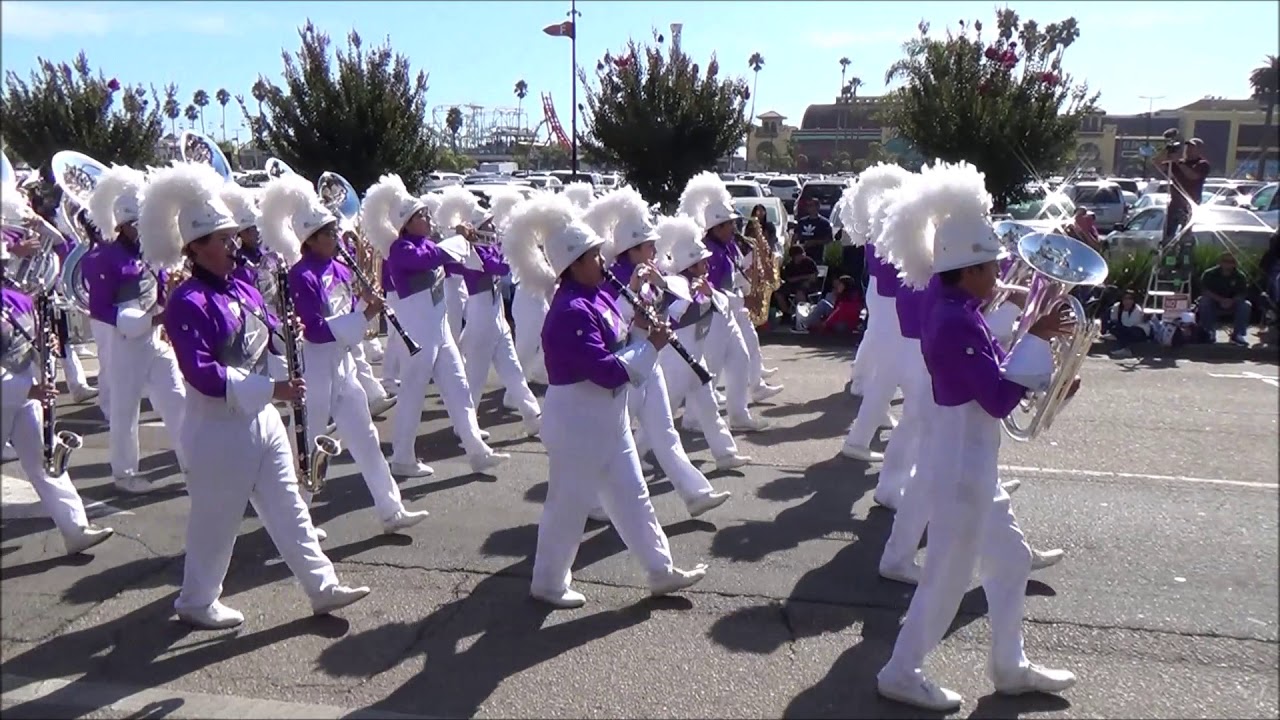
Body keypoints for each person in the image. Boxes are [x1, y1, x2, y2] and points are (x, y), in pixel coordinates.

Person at [876, 164, 1078, 710]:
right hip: (960, 466)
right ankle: (901, 669)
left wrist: (1051, 380)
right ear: (967, 270)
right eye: (992, 267)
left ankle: (1009, 667)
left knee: (1010, 561)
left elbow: (996, 380)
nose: (1001, 273)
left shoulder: (961, 310)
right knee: (946, 578)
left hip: (973, 462)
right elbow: (996, 398)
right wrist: (1035, 342)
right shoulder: (955, 321)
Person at [144, 162, 371, 629]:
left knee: (289, 506)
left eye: (233, 236)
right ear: (195, 248)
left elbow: (267, 337)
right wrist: (275, 387)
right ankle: (196, 600)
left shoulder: (243, 287)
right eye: (223, 239)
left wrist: (285, 340)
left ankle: (321, 585)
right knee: (216, 523)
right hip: (218, 425)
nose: (235, 244)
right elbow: (203, 373)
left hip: (261, 417)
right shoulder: (187, 302)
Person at [512, 193, 709, 609]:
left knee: (633, 494)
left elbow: (622, 340)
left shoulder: (599, 296)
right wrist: (651, 345)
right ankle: (547, 582)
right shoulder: (570, 310)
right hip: (579, 420)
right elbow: (607, 369)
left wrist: (641, 327)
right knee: (568, 505)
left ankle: (659, 570)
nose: (603, 262)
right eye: (594, 257)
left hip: (609, 416)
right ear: (574, 264)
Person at [258, 172, 430, 536]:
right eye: (329, 233)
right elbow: (315, 329)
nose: (337, 238)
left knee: (366, 439)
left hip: (343, 364)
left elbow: (349, 311)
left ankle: (390, 509)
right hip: (316, 365)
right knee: (308, 445)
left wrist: (365, 307)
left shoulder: (338, 267)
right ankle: (294, 519)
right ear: (310, 239)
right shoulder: (299, 276)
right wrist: (363, 316)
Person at [582, 188, 736, 518]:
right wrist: (635, 289)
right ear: (631, 249)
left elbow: (676, 309)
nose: (655, 249)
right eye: (648, 245)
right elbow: (612, 323)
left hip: (650, 361)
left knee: (665, 432)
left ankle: (695, 493)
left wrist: (663, 285)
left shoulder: (651, 272)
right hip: (627, 366)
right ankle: (595, 501)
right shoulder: (613, 278)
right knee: (616, 437)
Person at [362, 174, 509, 476]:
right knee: (413, 395)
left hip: (439, 333)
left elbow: (459, 262)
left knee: (459, 389)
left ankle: (477, 451)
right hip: (417, 334)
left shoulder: (428, 243)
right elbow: (431, 257)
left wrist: (482, 248)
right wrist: (456, 237)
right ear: (406, 222)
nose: (429, 218)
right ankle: (402, 457)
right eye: (422, 216)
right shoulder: (400, 249)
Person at [0, 236, 115, 556]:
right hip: (14, 392)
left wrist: (45, 348)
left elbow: (28, 344)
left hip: (24, 395)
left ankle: (75, 528)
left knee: (46, 463)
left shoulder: (17, 298)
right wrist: (27, 388)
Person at [85, 164, 187, 495]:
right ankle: (124, 473)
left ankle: (192, 462)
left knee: (176, 399)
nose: (138, 228)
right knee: (124, 409)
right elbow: (99, 307)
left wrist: (168, 302)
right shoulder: (104, 257)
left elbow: (158, 292)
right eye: (133, 223)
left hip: (154, 339)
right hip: (124, 342)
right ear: (121, 225)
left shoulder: (151, 252)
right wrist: (144, 320)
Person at [678, 173, 774, 432]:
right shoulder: (708, 251)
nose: (733, 228)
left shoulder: (727, 246)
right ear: (716, 227)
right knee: (712, 368)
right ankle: (692, 418)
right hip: (715, 316)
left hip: (729, 314)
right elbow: (705, 289)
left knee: (741, 360)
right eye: (729, 224)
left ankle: (739, 415)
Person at [1161, 137, 1211, 241]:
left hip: (1190, 204)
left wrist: (1178, 163)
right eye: (1187, 147)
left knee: (1186, 236)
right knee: (1168, 235)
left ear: (1199, 150)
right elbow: (1157, 164)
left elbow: (1192, 176)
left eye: (1192, 148)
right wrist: (1167, 151)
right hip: (1175, 203)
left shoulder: (1202, 164)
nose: (1188, 150)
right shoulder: (1178, 163)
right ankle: (1169, 253)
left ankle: (1184, 254)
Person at [1196, 251, 1252, 345]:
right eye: (1225, 261)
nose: (1228, 264)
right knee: (1204, 301)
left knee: (1246, 305)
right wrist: (1221, 300)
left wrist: (1231, 301)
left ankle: (1238, 334)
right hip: (1214, 302)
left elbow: (1242, 293)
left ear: (1235, 263)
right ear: (1220, 262)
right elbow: (1205, 291)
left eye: (1231, 261)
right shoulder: (1209, 274)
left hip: (1232, 304)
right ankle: (1209, 332)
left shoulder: (1240, 276)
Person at [774, 244, 819, 317]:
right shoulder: (790, 265)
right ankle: (786, 313)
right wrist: (804, 277)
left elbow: (813, 277)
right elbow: (789, 279)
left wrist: (803, 279)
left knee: (800, 292)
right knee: (778, 293)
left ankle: (802, 315)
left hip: (808, 285)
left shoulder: (809, 262)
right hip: (793, 285)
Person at [1107, 289, 1149, 358]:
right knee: (1115, 328)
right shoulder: (1117, 307)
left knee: (1128, 332)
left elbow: (1129, 324)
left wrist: (1126, 311)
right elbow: (1113, 319)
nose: (1127, 301)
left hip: (1138, 330)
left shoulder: (1137, 309)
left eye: (1130, 299)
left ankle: (1126, 350)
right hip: (1124, 328)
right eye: (1125, 298)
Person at [792, 196, 833, 264]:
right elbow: (795, 236)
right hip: (802, 256)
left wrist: (814, 242)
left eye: (812, 206)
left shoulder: (824, 223)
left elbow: (829, 240)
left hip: (817, 256)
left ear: (818, 207)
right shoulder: (802, 222)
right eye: (808, 206)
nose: (809, 208)